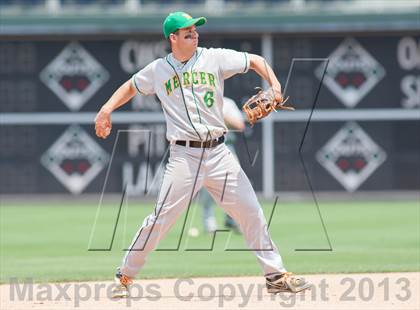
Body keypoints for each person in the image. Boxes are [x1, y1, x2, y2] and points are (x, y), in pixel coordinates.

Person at [94, 11, 312, 298]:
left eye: (195, 31)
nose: (195, 35)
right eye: (187, 32)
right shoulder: (158, 69)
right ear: (173, 38)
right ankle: (125, 276)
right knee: (161, 219)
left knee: (251, 212)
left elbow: (257, 61)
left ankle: (275, 276)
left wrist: (275, 86)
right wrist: (106, 109)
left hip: (219, 152)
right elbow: (131, 86)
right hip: (184, 157)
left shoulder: (215, 57)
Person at [200, 96, 244, 234]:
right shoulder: (198, 99)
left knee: (235, 184)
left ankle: (232, 219)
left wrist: (218, 115)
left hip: (227, 147)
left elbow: (240, 126)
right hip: (205, 147)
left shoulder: (227, 103)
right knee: (208, 186)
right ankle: (209, 221)